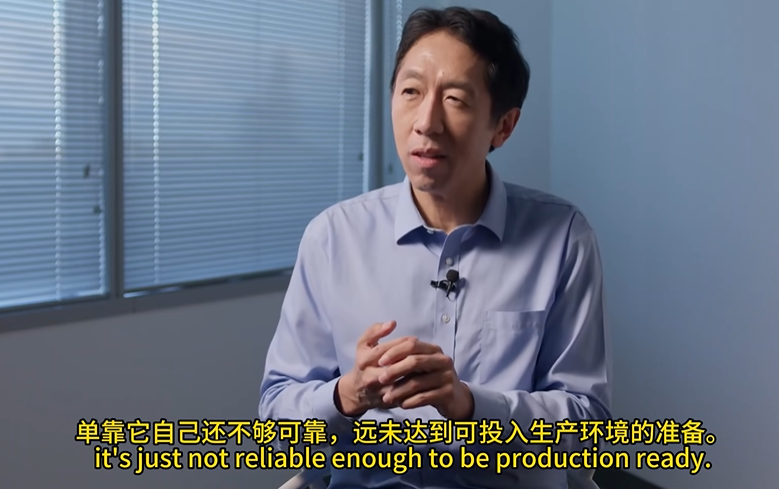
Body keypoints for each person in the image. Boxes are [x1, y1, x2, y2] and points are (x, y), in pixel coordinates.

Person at [260, 6, 611, 489]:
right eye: (411, 92)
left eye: (455, 99)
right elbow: (275, 425)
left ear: (503, 126)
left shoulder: (564, 238)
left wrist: (471, 407)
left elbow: (589, 430)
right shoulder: (333, 237)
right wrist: (348, 395)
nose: (426, 122)